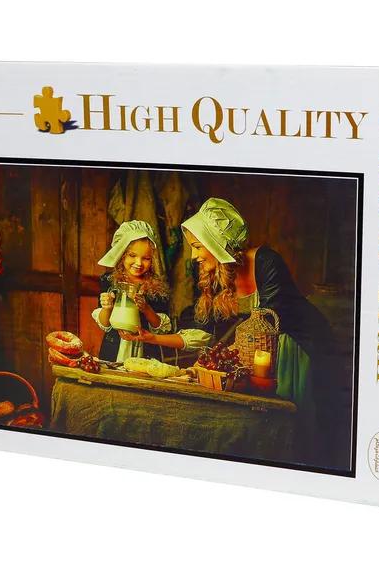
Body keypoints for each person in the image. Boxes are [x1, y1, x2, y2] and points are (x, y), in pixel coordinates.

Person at [119, 198, 352, 470]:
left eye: (198, 246)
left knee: (299, 429)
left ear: (217, 241)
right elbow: (203, 332)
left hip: (299, 350)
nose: (194, 256)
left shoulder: (265, 261)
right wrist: (152, 338)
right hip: (260, 355)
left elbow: (267, 325)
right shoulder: (218, 275)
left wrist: (226, 356)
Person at [92, 220, 171, 362]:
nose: (139, 263)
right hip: (113, 351)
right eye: (132, 255)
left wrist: (146, 308)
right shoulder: (109, 281)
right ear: (122, 254)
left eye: (146, 258)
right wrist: (106, 308)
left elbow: (159, 327)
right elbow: (105, 324)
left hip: (146, 352)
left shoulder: (157, 287)